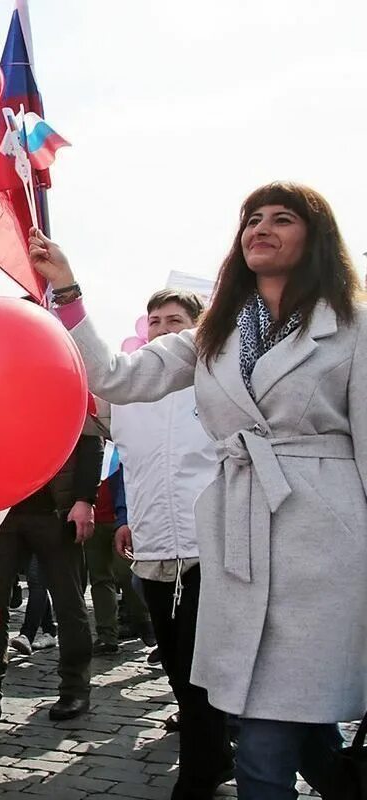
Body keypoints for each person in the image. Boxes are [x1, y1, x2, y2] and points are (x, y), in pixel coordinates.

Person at [28, 181, 367, 799]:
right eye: (252, 219)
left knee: (269, 739)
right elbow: (114, 376)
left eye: (281, 218)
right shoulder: (215, 333)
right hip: (235, 538)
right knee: (291, 723)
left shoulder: (352, 328)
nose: (260, 228)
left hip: (324, 539)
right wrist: (69, 290)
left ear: (315, 238)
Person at [102, 288, 233, 798]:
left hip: (207, 550)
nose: (161, 328)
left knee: (201, 671)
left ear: (198, 328)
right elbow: (120, 463)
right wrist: (127, 517)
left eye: (174, 319)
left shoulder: (215, 384)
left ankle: (200, 773)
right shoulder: (125, 395)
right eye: (153, 320)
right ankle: (216, 751)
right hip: (153, 553)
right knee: (178, 669)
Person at [0, 424, 102, 727]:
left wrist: (85, 498)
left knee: (68, 603)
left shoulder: (64, 376)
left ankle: (75, 688)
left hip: (56, 510)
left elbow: (89, 437)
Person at [85, 466, 154, 655]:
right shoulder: (87, 442)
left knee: (127, 574)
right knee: (100, 579)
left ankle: (144, 620)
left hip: (122, 520)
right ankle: (107, 636)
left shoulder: (120, 448)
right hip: (94, 519)